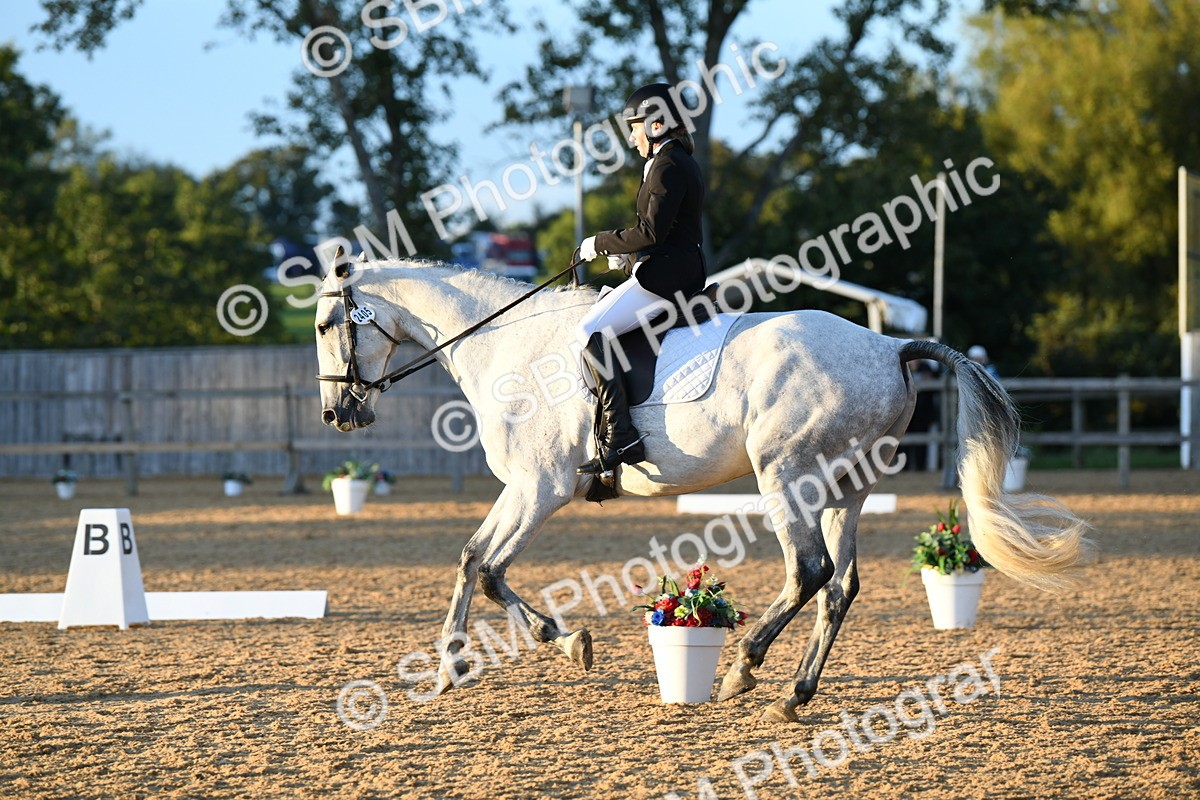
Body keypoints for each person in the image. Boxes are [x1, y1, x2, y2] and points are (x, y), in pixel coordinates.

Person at [572, 83, 707, 477]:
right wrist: (626, 256)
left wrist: (597, 242)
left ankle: (621, 434)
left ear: (657, 124)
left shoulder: (668, 165)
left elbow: (650, 233)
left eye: (634, 128)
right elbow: (658, 233)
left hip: (668, 276)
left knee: (590, 330)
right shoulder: (674, 161)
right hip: (671, 266)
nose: (631, 138)